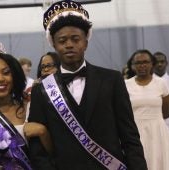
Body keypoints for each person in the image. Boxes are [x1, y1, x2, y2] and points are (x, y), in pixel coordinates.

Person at [28, 1, 147, 170]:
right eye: (62, 40)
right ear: (54, 45)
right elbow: (37, 147)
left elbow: (130, 136)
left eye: (75, 39)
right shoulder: (41, 89)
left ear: (86, 42)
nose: (69, 44)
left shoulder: (112, 80)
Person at [0, 33, 52, 170]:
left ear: (15, 76)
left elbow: (55, 153)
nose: (0, 79)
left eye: (6, 72)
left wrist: (43, 132)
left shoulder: (31, 107)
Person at [125, 49, 169, 170]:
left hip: (158, 131)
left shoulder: (162, 83)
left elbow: (166, 113)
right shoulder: (125, 85)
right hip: (135, 132)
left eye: (146, 62)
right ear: (132, 66)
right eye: (138, 63)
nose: (142, 65)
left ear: (152, 64)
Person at [153, 51, 169, 129]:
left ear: (167, 63)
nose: (159, 64)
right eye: (156, 62)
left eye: (162, 62)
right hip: (152, 122)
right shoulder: (145, 83)